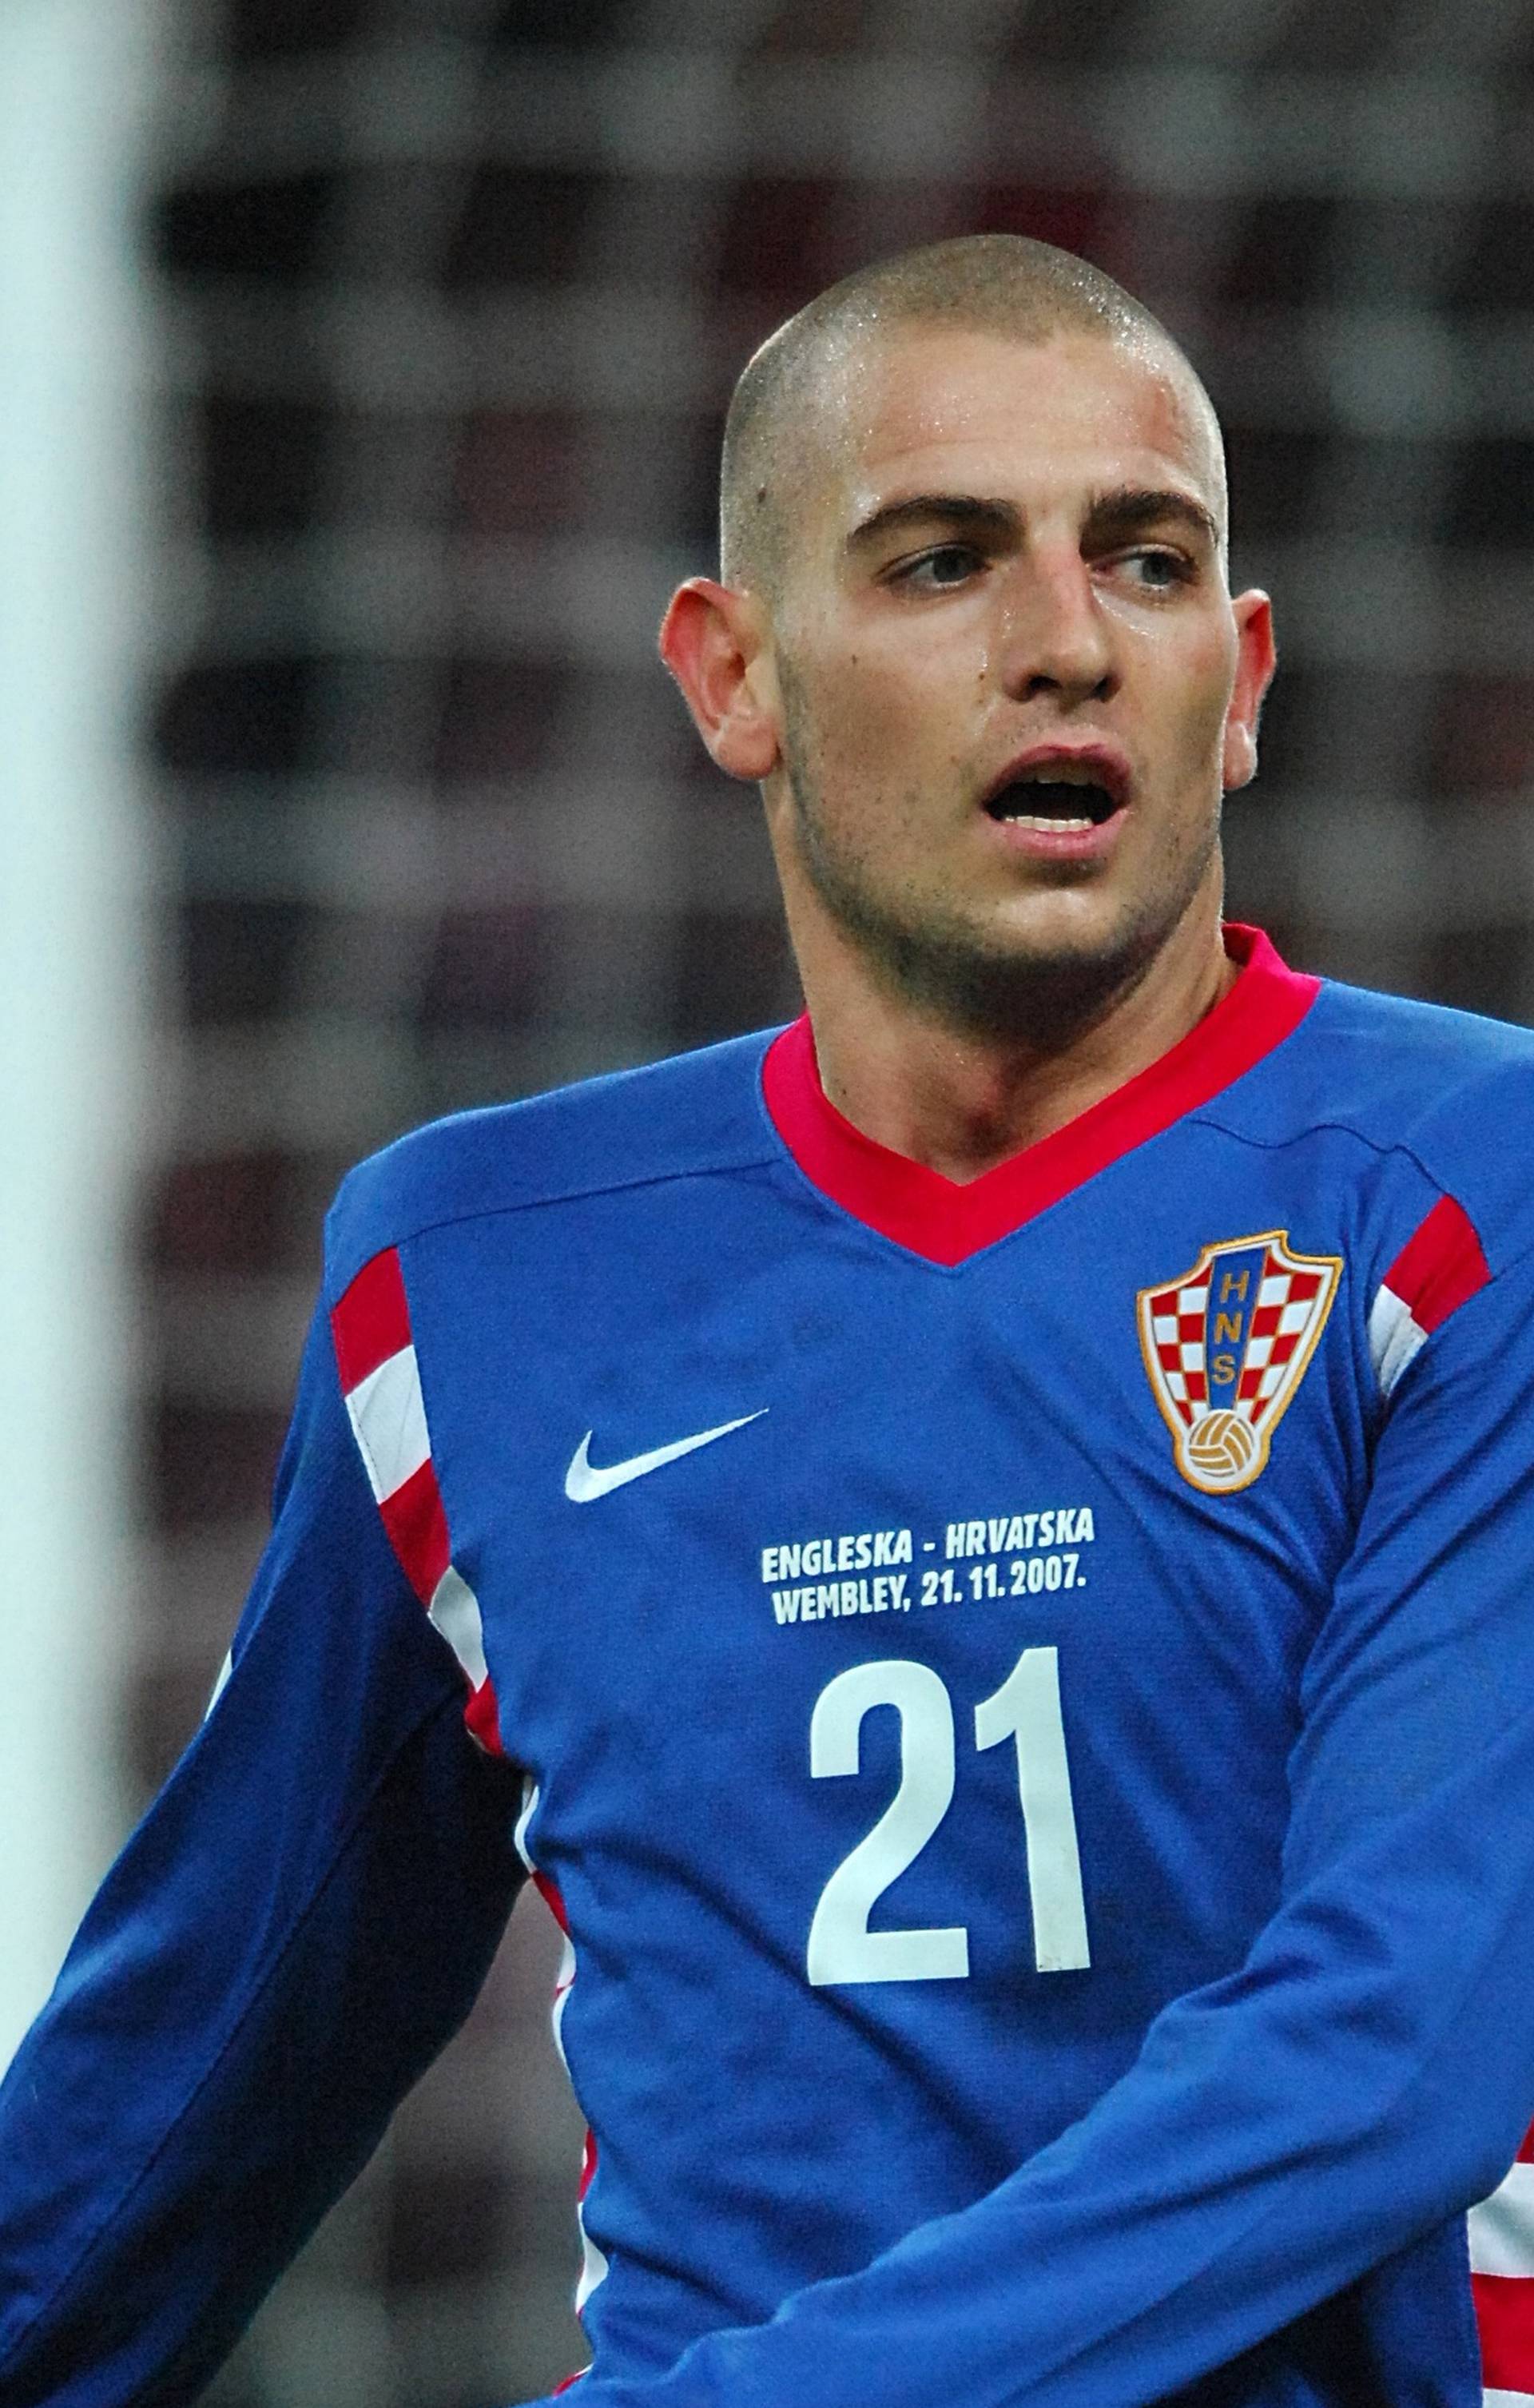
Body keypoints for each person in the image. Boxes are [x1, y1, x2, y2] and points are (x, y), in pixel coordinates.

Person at [3, 232, 1534, 2408]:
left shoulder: (1470, 1199)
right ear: (733, 675)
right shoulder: (473, 1283)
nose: (1068, 642)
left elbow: (1399, 2048)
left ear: (1250, 674)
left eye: (1149, 559)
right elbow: (180, 2093)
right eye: (940, 564)